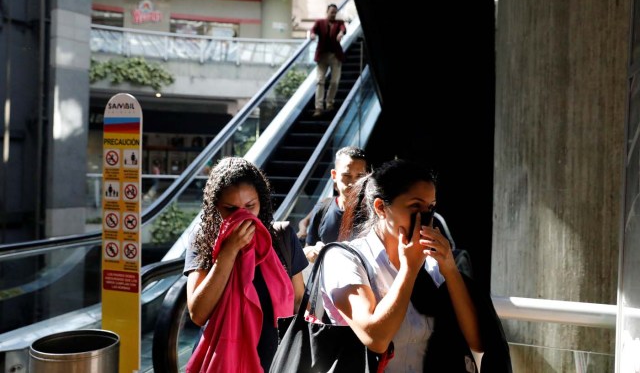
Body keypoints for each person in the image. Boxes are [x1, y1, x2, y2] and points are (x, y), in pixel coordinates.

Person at [319, 159, 512, 372]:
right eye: (415, 206)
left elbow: (477, 341)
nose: (426, 217)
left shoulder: (431, 265)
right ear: (381, 208)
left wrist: (450, 269)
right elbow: (375, 337)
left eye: (430, 207)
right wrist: (409, 270)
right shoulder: (344, 259)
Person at [183, 157, 309, 372]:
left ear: (262, 202)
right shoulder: (203, 238)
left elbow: (299, 301)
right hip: (223, 360)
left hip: (276, 360)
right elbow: (198, 313)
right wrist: (229, 251)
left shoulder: (282, 238)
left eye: (250, 206)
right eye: (231, 209)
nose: (242, 216)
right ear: (215, 208)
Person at [302, 146, 368, 263]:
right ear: (334, 175)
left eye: (359, 176)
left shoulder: (373, 213)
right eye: (347, 176)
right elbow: (308, 249)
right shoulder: (322, 208)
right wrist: (312, 251)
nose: (353, 183)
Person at [310, 3, 347, 117]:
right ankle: (318, 107)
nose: (333, 14)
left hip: (335, 56)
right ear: (327, 12)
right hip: (322, 56)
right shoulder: (320, 22)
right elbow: (313, 30)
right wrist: (312, 35)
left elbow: (343, 29)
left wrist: (340, 33)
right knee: (320, 81)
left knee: (335, 81)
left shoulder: (339, 23)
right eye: (332, 12)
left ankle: (329, 102)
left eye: (335, 12)